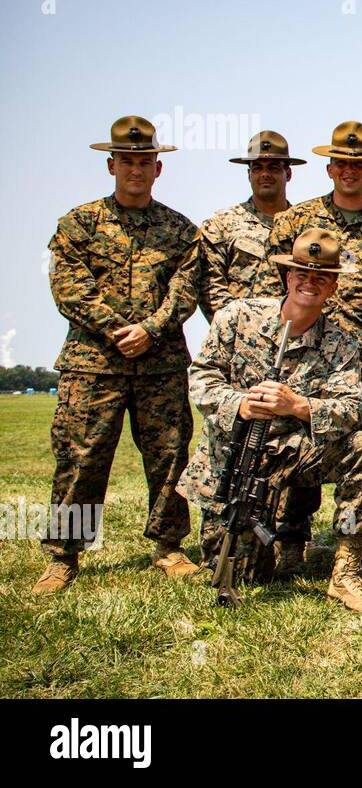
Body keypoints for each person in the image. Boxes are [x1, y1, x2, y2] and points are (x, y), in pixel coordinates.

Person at [179, 229, 362, 612]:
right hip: (241, 457)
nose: (310, 283)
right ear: (288, 278)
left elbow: (351, 408)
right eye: (302, 274)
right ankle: (265, 540)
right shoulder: (236, 318)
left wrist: (299, 406)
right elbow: (201, 379)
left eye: (321, 276)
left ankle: (346, 571)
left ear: (333, 286)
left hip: (297, 451)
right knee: (242, 572)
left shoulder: (341, 342)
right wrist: (239, 403)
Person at [35, 116, 201, 595]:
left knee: (168, 456)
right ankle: (64, 555)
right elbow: (69, 287)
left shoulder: (178, 229)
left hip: (161, 364)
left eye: (144, 161)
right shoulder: (79, 224)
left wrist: (150, 329)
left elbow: (185, 290)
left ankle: (168, 546)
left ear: (158, 168)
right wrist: (117, 330)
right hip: (93, 364)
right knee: (82, 457)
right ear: (111, 164)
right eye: (127, 161)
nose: (136, 169)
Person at [268, 121, 362, 573]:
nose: (350, 170)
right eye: (342, 163)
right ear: (329, 166)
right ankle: (291, 540)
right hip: (306, 357)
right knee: (298, 443)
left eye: (360, 164)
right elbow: (283, 288)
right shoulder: (294, 224)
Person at [198, 130, 303, 321]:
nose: (265, 174)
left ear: (288, 173)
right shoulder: (221, 224)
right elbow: (210, 285)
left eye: (273, 167)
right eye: (257, 168)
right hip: (237, 338)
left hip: (294, 338)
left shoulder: (305, 226)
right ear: (249, 174)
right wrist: (239, 329)